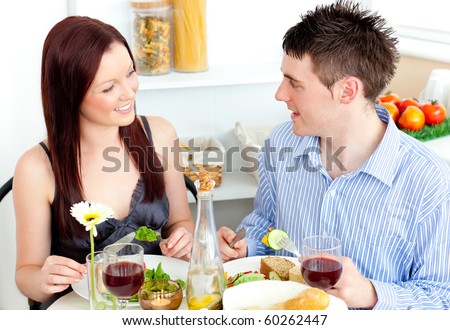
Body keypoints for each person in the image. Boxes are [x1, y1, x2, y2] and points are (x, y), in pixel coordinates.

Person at [218, 0, 450, 310]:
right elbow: (266, 223)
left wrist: (369, 293)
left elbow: (441, 296)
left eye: (295, 84)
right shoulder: (280, 143)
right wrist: (244, 245)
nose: (280, 94)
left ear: (347, 91)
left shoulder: (429, 180)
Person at [13, 16, 194, 309]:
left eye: (130, 73)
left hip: (155, 304)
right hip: (80, 310)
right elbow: (26, 275)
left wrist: (182, 239)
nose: (129, 92)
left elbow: (179, 222)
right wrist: (43, 279)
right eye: (109, 87)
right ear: (70, 94)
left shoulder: (160, 134)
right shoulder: (36, 168)